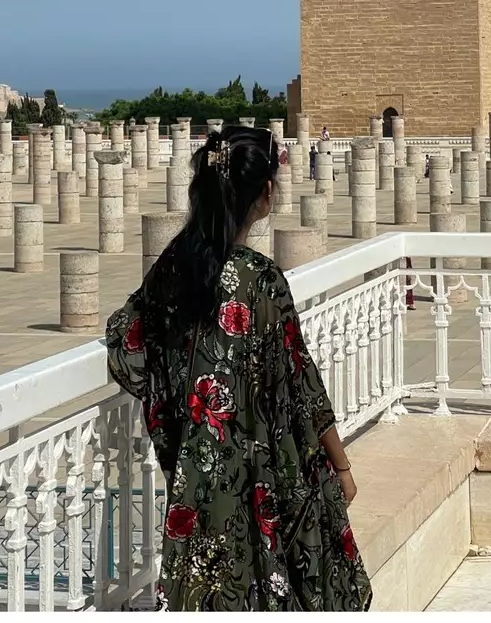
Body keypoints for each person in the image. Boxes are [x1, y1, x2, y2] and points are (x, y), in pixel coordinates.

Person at [105, 125, 371, 611]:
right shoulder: (261, 280)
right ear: (266, 194)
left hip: (196, 478)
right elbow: (303, 385)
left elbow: (127, 340)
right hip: (260, 477)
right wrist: (341, 465)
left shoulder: (173, 265)